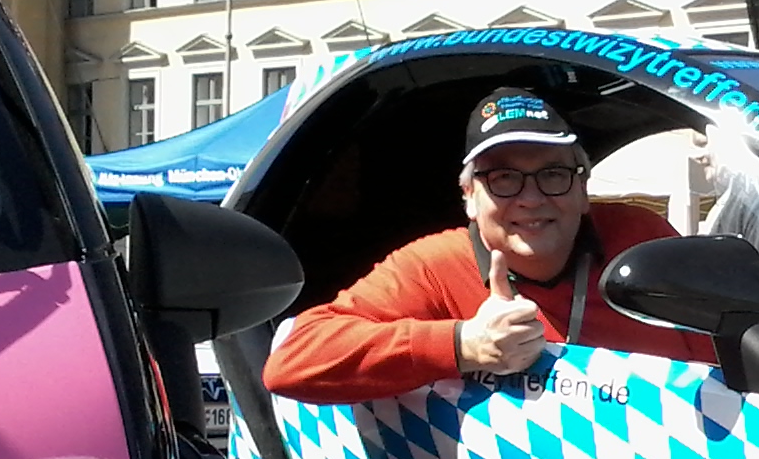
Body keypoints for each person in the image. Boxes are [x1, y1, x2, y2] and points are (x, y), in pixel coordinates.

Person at [264, 88, 713, 404]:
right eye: (503, 178)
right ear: (470, 198)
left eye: (553, 174)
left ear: (582, 190)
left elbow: (724, 353)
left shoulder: (640, 237)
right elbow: (293, 362)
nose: (531, 198)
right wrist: (463, 344)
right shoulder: (433, 265)